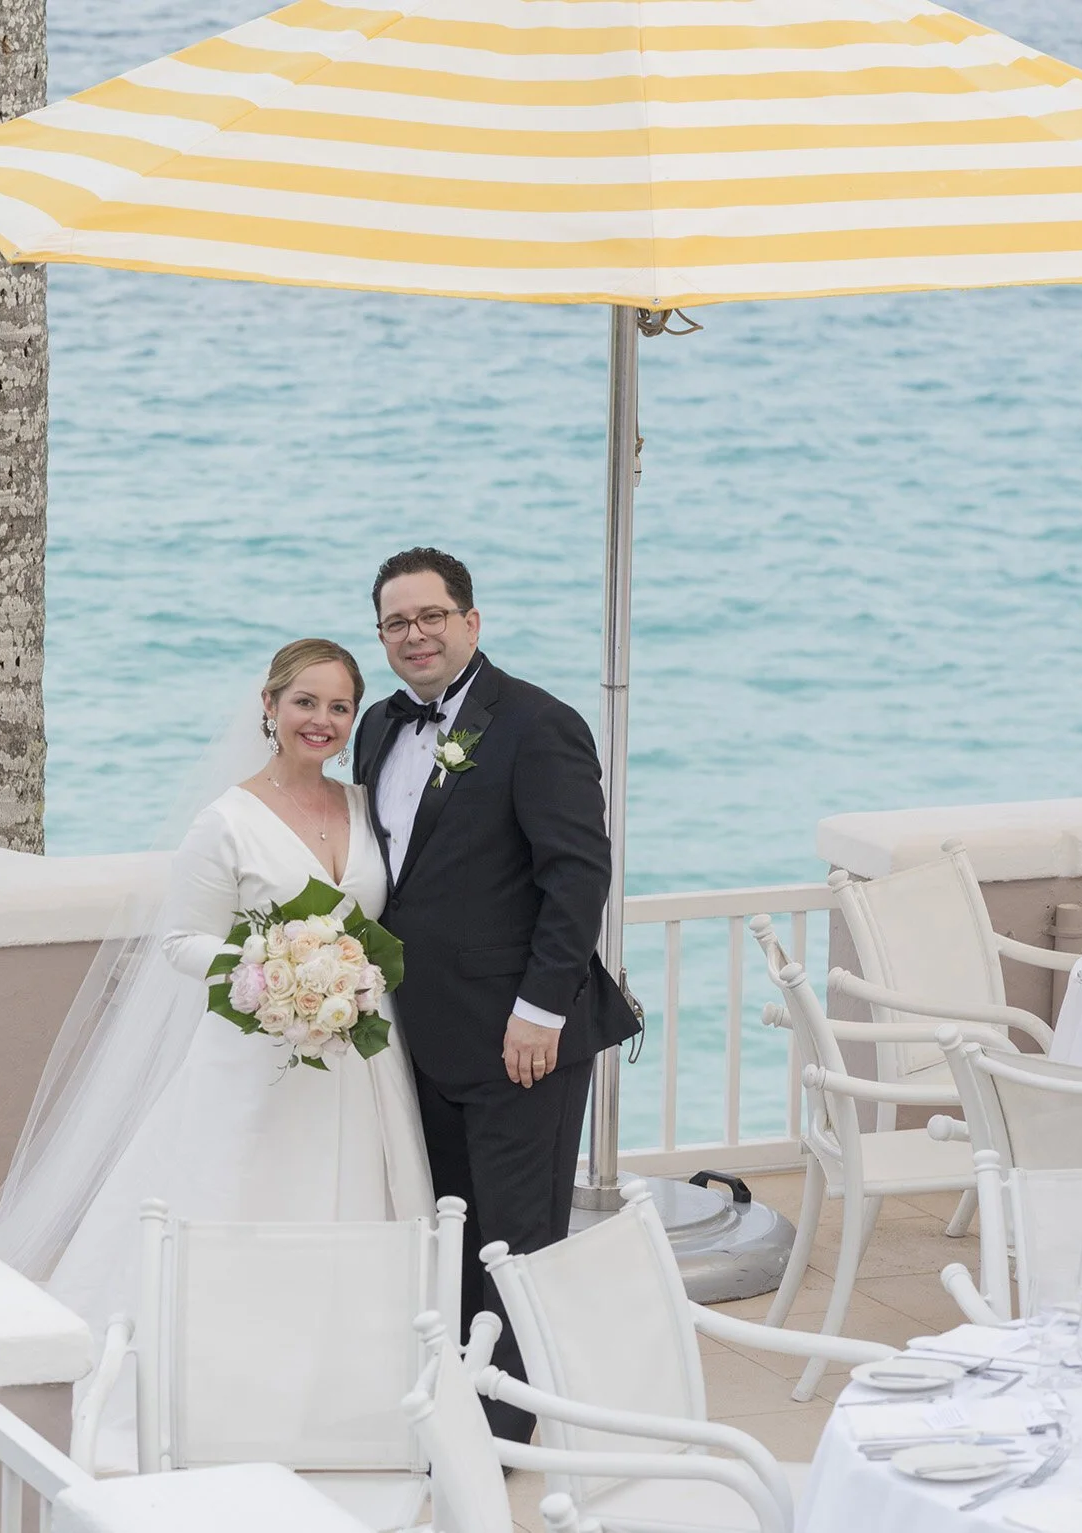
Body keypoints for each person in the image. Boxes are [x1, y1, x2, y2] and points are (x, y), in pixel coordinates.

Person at [0, 638, 435, 1468]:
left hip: (357, 1062)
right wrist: (273, 970)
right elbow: (181, 941)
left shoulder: (365, 807)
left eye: (338, 707)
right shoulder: (225, 820)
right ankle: (216, 1400)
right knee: (241, 1212)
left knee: (354, 1214)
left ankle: (338, 1405)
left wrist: (333, 981)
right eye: (305, 702)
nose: (321, 721)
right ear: (269, 705)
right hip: (252, 1060)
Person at [352, 547, 640, 1442]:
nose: (416, 634)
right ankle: (452, 1406)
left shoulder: (535, 723)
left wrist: (540, 1011)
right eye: (397, 622)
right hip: (418, 1036)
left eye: (432, 615)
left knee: (514, 1245)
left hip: (522, 1040)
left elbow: (577, 874)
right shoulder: (374, 727)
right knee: (451, 1228)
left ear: (472, 623)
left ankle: (505, 1439)